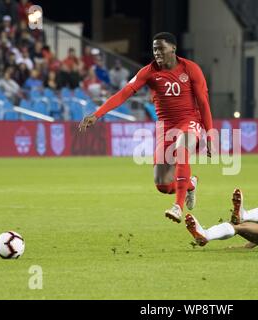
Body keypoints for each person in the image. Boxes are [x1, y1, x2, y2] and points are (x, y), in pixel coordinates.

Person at [78, 32, 213, 223]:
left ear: (173, 48)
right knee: (163, 185)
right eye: (154, 49)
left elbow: (204, 102)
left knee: (182, 150)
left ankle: (178, 207)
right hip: (165, 127)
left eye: (161, 48)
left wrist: (210, 135)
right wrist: (97, 114)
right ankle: (190, 184)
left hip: (190, 121)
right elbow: (124, 93)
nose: (157, 53)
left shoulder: (191, 69)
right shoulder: (148, 72)